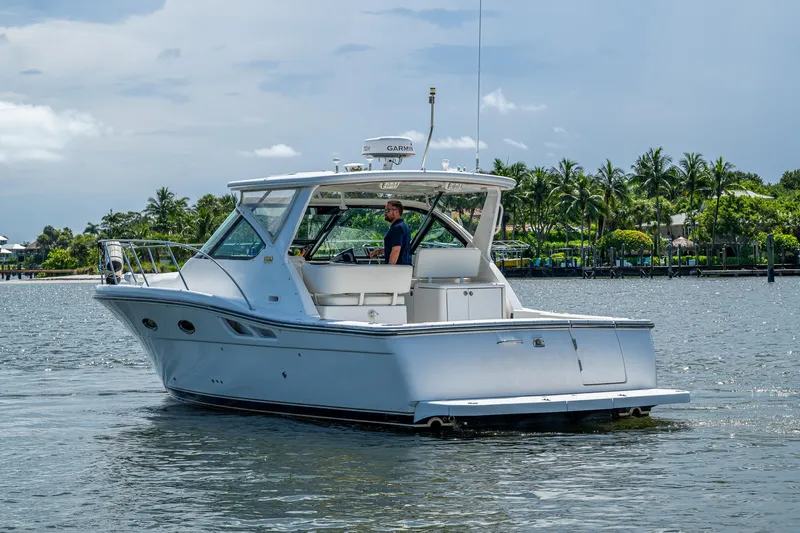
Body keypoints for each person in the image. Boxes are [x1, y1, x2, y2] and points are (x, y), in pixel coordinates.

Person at [369, 200, 412, 265]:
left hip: (397, 270)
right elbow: (395, 247)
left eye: (387, 210)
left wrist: (389, 270)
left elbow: (396, 251)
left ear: (396, 212)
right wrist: (378, 252)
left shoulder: (397, 228)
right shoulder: (403, 226)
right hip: (403, 268)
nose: (385, 213)